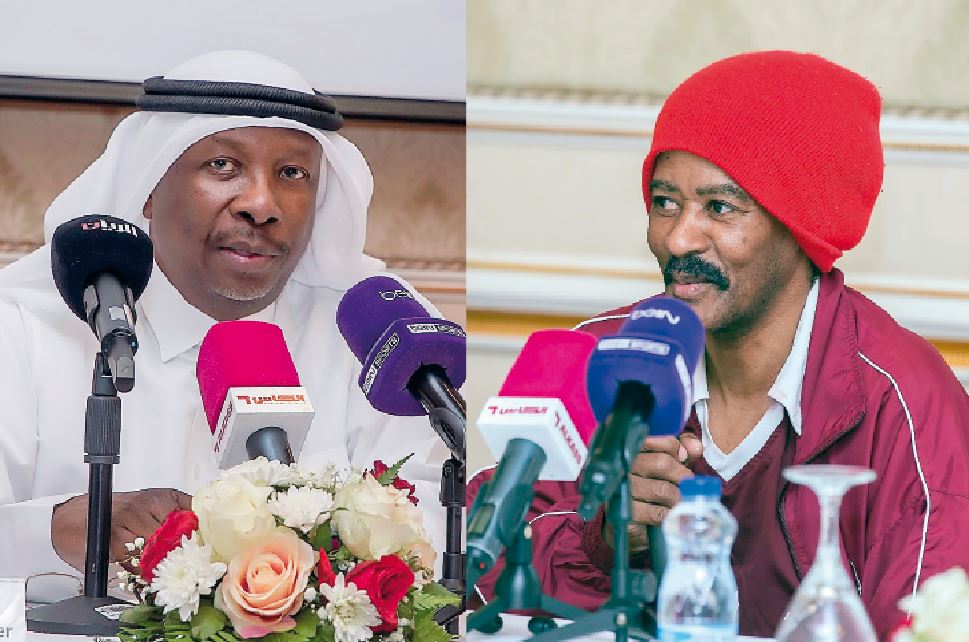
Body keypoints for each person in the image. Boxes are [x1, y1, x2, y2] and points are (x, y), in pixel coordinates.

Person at [468, 50, 969, 639]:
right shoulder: (604, 355)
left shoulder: (905, 402)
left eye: (719, 207)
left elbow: (932, 622)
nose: (678, 237)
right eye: (665, 202)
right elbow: (477, 568)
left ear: (799, 225)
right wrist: (605, 540)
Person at [0, 50, 448, 600]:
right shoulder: (24, 331)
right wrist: (59, 529)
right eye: (223, 166)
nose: (261, 205)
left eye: (292, 174)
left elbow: (439, 527)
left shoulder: (377, 337)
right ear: (149, 184)